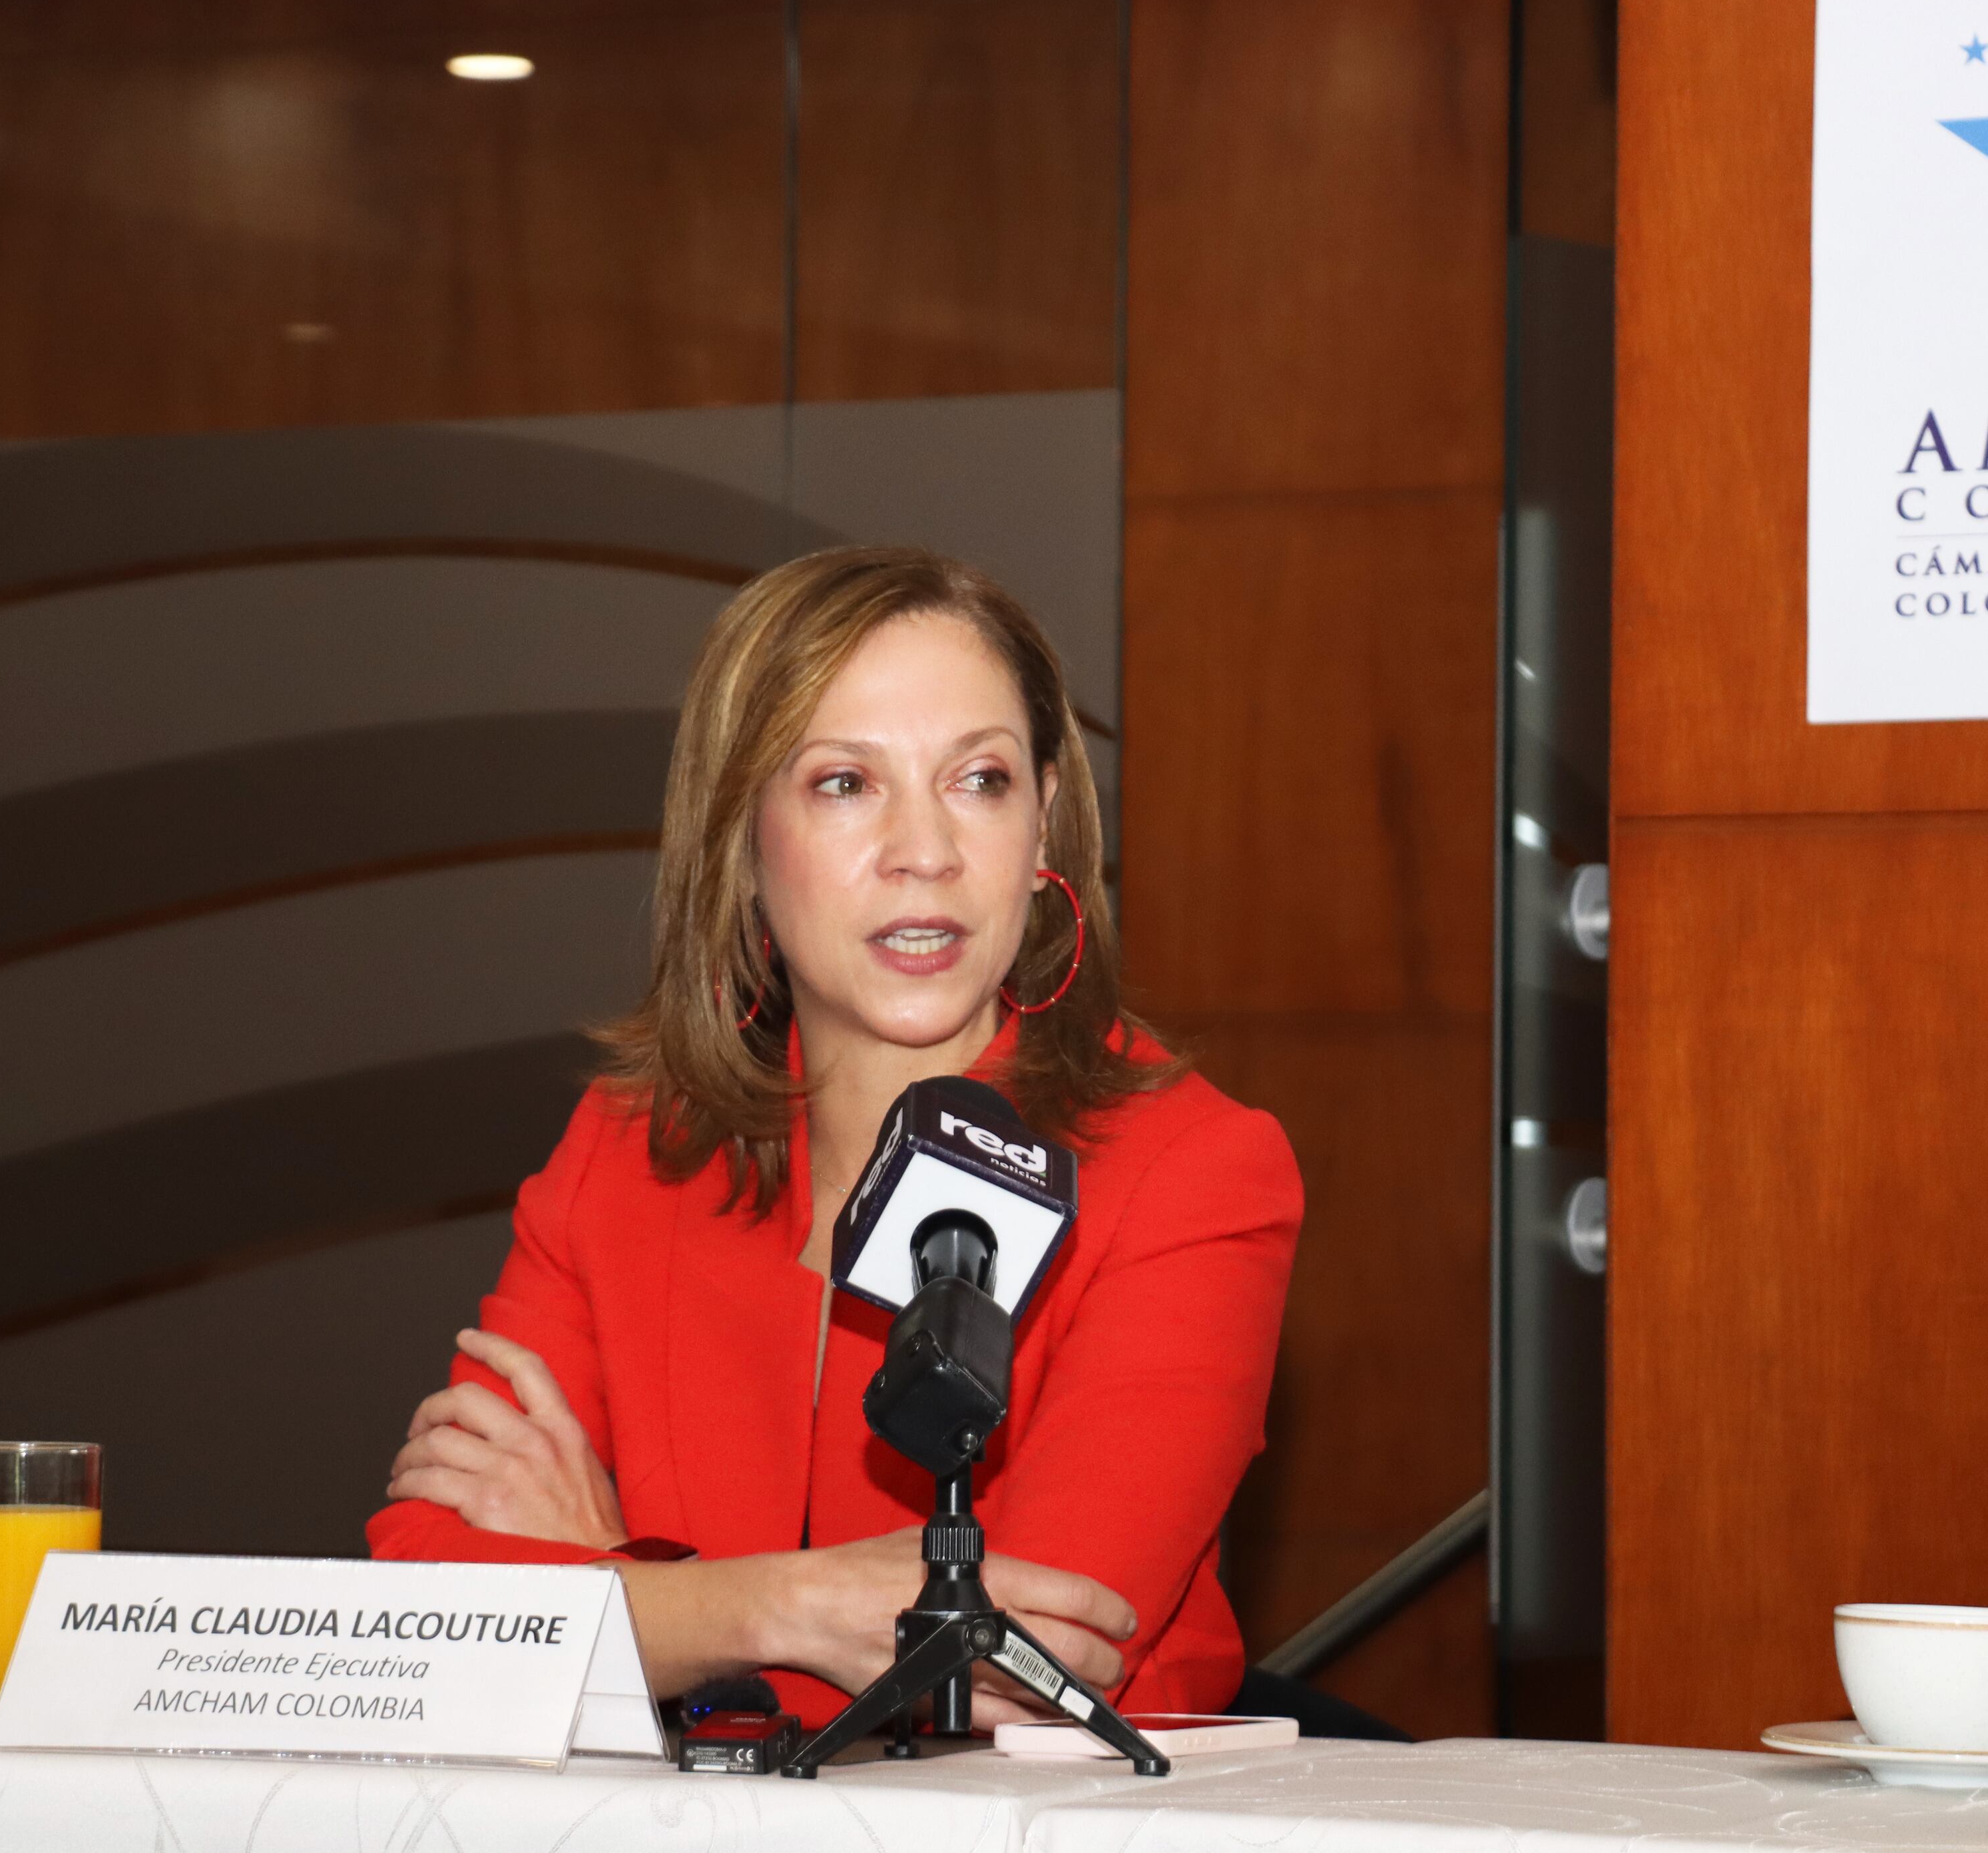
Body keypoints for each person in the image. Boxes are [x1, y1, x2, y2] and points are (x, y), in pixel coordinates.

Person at [365, 545, 1305, 1732]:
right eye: (845, 784)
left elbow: (1027, 1665)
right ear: (741, 842)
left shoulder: (1193, 1172)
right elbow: (423, 1614)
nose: (926, 850)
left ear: (1046, 823)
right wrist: (774, 1607)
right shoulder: (627, 1150)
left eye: (980, 779)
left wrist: (623, 1586)